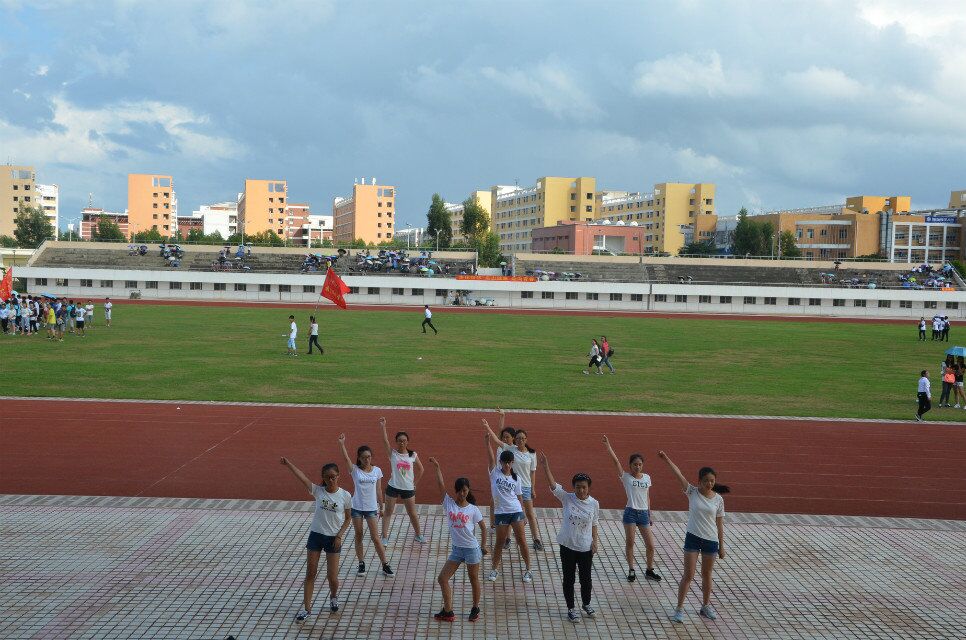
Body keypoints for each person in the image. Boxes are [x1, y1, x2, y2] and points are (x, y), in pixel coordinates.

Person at [658, 451, 728, 624]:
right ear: (699, 481)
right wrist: (666, 459)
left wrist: (721, 545)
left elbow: (719, 524)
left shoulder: (718, 499)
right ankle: (679, 609)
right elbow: (678, 473)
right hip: (693, 538)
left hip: (711, 540)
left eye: (712, 481)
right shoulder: (692, 492)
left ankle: (705, 606)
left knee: (707, 574)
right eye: (706, 481)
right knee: (688, 575)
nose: (709, 484)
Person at [280, 456, 352, 621]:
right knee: (310, 573)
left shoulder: (345, 496)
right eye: (327, 477)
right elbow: (302, 477)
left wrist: (340, 535)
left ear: (338, 475)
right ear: (323, 478)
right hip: (316, 536)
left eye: (333, 476)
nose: (331, 480)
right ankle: (307, 609)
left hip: (333, 538)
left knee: (332, 577)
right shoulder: (318, 491)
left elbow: (348, 518)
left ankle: (333, 596)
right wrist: (289, 463)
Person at [538, 452, 600, 624]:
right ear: (573, 487)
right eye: (578, 487)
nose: (581, 490)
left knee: (586, 579)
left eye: (584, 487)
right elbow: (553, 486)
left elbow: (594, 523)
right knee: (569, 579)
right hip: (567, 546)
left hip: (585, 548)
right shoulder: (567, 498)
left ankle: (586, 604)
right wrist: (545, 466)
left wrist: (595, 541)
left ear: (588, 488)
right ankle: (571, 608)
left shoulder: (594, 503)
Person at [427, 456, 487, 623]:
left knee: (473, 578)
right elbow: (440, 485)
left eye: (465, 490)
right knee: (442, 578)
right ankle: (448, 611)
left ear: (469, 491)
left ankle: (475, 608)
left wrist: (482, 546)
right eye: (460, 490)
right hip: (457, 549)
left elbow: (483, 527)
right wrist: (437, 467)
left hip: (471, 549)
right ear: (456, 491)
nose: (462, 493)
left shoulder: (473, 509)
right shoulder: (449, 504)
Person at [601, 435, 661, 583]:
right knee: (630, 542)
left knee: (651, 545)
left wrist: (649, 512)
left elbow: (647, 496)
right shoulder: (626, 477)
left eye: (640, 464)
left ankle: (649, 570)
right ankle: (631, 569)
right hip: (630, 513)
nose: (638, 466)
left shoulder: (647, 478)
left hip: (644, 514)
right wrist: (608, 446)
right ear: (630, 465)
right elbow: (616, 462)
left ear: (643, 465)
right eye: (635, 464)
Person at [483, 411, 543, 551]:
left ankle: (536, 539)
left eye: (523, 438)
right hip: (511, 484)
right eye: (518, 438)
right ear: (515, 440)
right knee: (510, 511)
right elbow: (498, 439)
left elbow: (533, 472)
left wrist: (533, 488)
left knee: (529, 513)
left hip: (526, 487)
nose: (520, 440)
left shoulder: (532, 454)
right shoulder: (511, 448)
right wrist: (487, 427)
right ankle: (508, 539)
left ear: (526, 439)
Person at [482, 419, 533, 584]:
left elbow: (519, 497)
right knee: (499, 542)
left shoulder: (516, 477)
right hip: (501, 513)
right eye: (504, 462)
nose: (507, 465)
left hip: (516, 511)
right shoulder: (494, 473)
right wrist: (487, 444)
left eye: (509, 463)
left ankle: (528, 569)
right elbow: (490, 459)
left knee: (522, 541)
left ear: (512, 463)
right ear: (501, 462)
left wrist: (524, 514)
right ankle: (494, 569)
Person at [336, 434, 393, 576]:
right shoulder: (354, 470)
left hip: (371, 509)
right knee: (359, 534)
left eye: (369, 457)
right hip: (356, 508)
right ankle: (361, 563)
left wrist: (381, 506)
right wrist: (342, 444)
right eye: (364, 457)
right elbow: (346, 459)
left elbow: (379, 490)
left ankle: (385, 564)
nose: (367, 460)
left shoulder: (377, 470)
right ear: (359, 458)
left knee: (376, 537)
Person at [378, 417, 426, 544]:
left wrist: (414, 484)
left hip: (408, 488)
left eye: (404, 440)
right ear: (396, 442)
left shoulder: (413, 455)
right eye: (399, 441)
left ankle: (419, 535)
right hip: (393, 486)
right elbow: (384, 441)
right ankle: (384, 536)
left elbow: (421, 469)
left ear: (408, 441)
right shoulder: (392, 454)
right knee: (388, 511)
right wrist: (383, 427)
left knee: (412, 513)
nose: (402, 443)